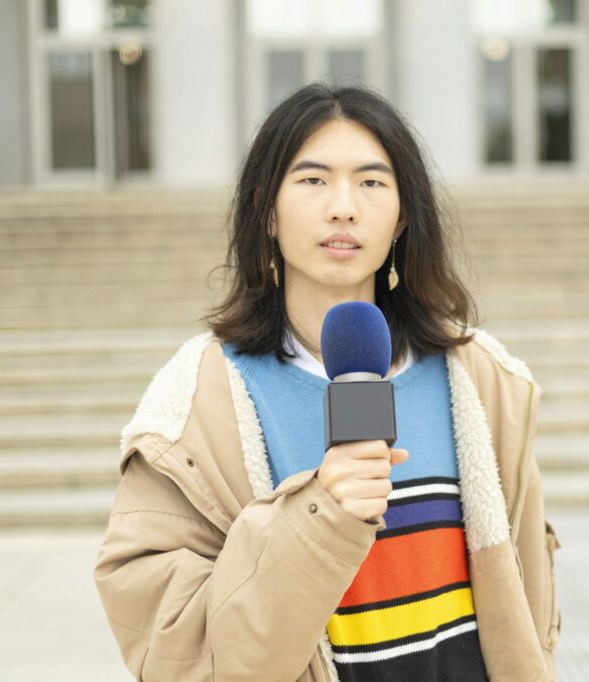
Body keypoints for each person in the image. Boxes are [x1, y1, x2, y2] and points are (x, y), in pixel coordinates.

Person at [93, 82, 561, 682]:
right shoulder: (192, 406)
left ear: (402, 218)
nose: (343, 206)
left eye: (371, 182)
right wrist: (317, 514)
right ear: (266, 210)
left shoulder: (483, 382)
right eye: (312, 180)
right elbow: (175, 647)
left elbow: (524, 608)